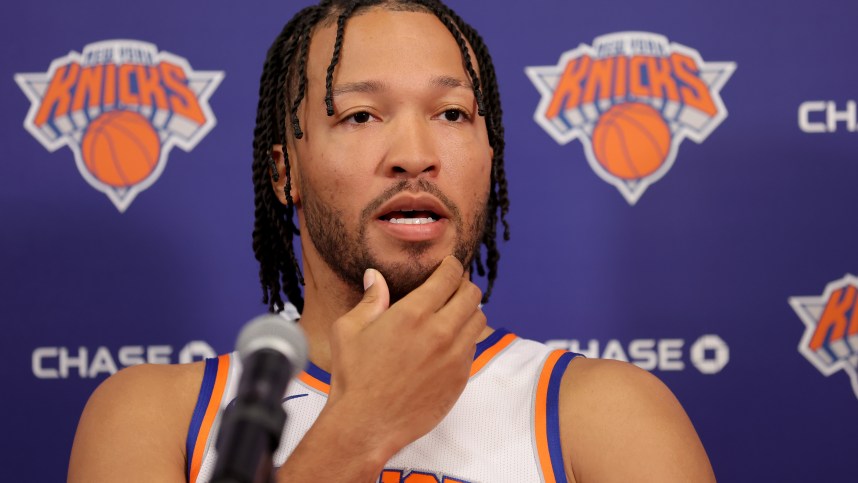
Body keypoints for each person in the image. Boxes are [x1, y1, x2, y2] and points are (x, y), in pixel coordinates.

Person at [68, 0, 716, 482]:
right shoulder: (154, 412)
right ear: (283, 170)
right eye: (360, 116)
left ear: (491, 156)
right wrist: (360, 427)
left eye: (452, 113)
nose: (414, 155)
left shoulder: (603, 410)